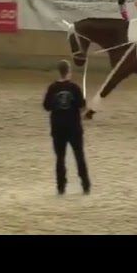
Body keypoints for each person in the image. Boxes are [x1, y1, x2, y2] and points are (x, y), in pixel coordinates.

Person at [43, 59, 91, 195]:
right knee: (79, 156)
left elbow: (46, 106)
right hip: (74, 128)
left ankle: (61, 186)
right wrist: (84, 104)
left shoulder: (52, 88)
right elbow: (82, 108)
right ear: (69, 71)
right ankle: (85, 185)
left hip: (58, 128)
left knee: (60, 158)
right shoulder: (75, 88)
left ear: (59, 71)